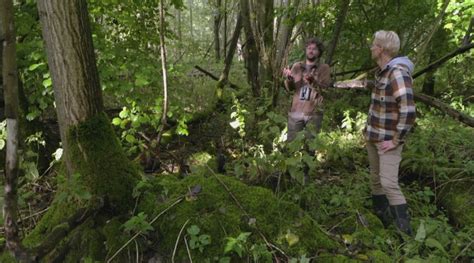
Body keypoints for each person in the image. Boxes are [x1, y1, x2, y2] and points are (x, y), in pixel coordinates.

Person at [335, 30, 416, 235]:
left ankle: (404, 231)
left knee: (389, 183)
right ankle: (381, 216)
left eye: (373, 45)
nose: (371, 48)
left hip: (388, 141)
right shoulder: (383, 72)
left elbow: (408, 110)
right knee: (376, 179)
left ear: (381, 49)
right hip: (373, 137)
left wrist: (397, 140)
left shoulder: (397, 72)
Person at [282, 37, 331, 143]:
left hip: (314, 113)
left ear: (319, 52)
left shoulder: (324, 68)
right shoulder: (297, 66)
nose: (311, 50)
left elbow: (325, 89)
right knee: (292, 144)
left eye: (314, 49)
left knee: (310, 146)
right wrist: (289, 79)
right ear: (305, 50)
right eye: (309, 48)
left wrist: (313, 81)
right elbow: (290, 89)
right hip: (296, 111)